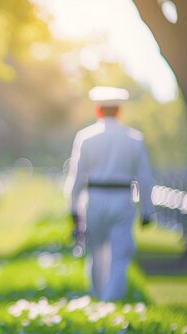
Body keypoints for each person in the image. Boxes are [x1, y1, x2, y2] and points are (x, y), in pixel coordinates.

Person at [64, 86, 155, 301]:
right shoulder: (134, 138)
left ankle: (99, 296)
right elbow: (145, 177)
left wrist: (72, 208)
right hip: (122, 199)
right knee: (119, 254)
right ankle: (111, 299)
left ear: (98, 111)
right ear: (119, 111)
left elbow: (76, 177)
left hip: (94, 200)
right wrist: (147, 211)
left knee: (96, 252)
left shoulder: (86, 138)